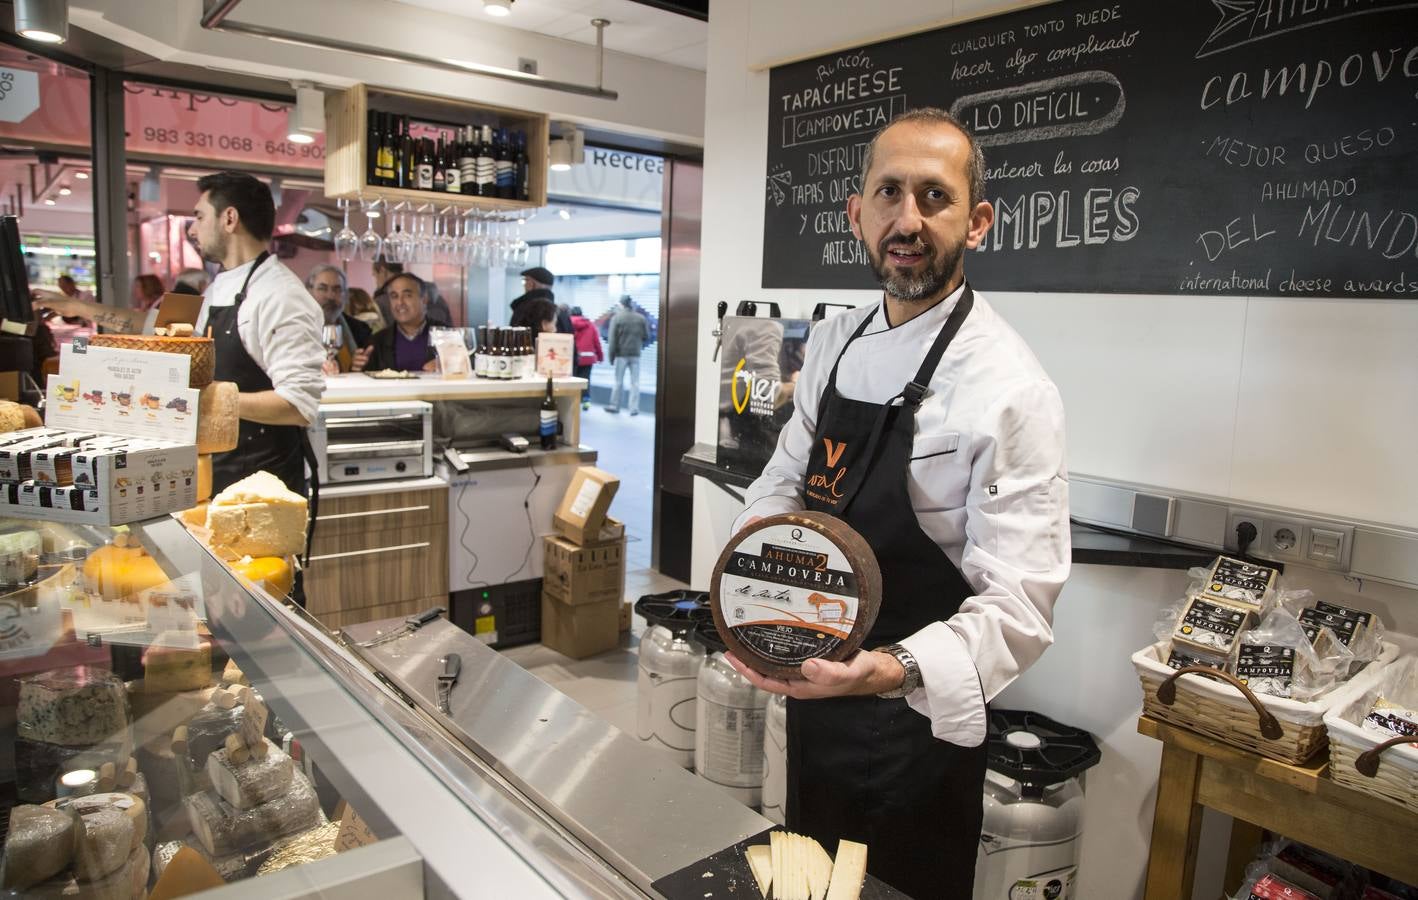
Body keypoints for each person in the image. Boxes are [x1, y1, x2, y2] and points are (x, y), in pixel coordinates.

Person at [721, 109, 1069, 899]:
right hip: (813, 677)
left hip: (918, 709)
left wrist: (885, 669)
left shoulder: (1010, 387)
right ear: (857, 213)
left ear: (977, 221)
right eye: (890, 193)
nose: (908, 220)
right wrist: (751, 594)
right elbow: (781, 482)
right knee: (811, 876)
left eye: (935, 197)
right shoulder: (836, 342)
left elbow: (1020, 607)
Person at [33, 172, 327, 499]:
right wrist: (80, 308)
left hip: (263, 484)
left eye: (200, 216)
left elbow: (298, 405)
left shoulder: (280, 295)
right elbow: (156, 327)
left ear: (230, 219)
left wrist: (197, 400)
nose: (192, 228)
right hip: (216, 469)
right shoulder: (221, 284)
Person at [353, 272, 437, 373]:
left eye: (407, 295)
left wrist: (451, 366)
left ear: (424, 299)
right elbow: (365, 381)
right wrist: (356, 369)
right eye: (394, 296)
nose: (400, 302)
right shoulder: (377, 342)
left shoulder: (449, 336)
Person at [306, 265, 373, 374]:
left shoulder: (360, 330)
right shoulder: (298, 329)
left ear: (345, 295)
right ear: (309, 292)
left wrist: (360, 367)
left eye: (337, 289)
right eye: (323, 288)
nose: (330, 296)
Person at [372, 257, 451, 328]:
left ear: (382, 271)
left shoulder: (382, 302)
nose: (400, 302)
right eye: (395, 296)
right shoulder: (438, 298)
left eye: (374, 274)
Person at [604, 295, 648, 415]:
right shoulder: (641, 318)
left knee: (618, 382)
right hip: (636, 354)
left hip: (621, 354)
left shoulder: (617, 318)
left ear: (621, 305)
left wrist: (611, 357)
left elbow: (612, 340)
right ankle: (633, 408)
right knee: (635, 383)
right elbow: (646, 336)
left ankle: (614, 406)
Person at [570, 305, 603, 410]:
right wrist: (600, 356)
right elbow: (596, 342)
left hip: (573, 357)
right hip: (588, 357)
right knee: (586, 380)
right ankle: (586, 401)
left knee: (573, 379)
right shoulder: (590, 325)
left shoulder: (568, 323)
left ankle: (573, 401)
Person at [509, 265, 557, 331]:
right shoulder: (558, 311)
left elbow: (516, 335)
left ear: (532, 283)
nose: (524, 284)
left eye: (526, 280)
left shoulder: (525, 308)